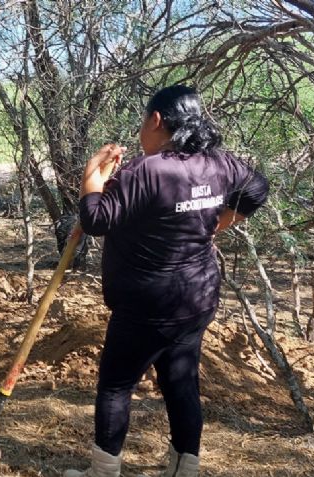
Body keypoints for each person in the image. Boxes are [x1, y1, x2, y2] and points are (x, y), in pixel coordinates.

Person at [64, 85, 269, 477]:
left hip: (146, 304)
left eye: (145, 119)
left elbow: (96, 220)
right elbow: (257, 190)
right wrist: (220, 223)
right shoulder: (220, 164)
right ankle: (183, 469)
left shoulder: (147, 170)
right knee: (180, 380)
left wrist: (92, 174)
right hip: (196, 298)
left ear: (156, 120)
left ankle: (103, 471)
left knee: (116, 385)